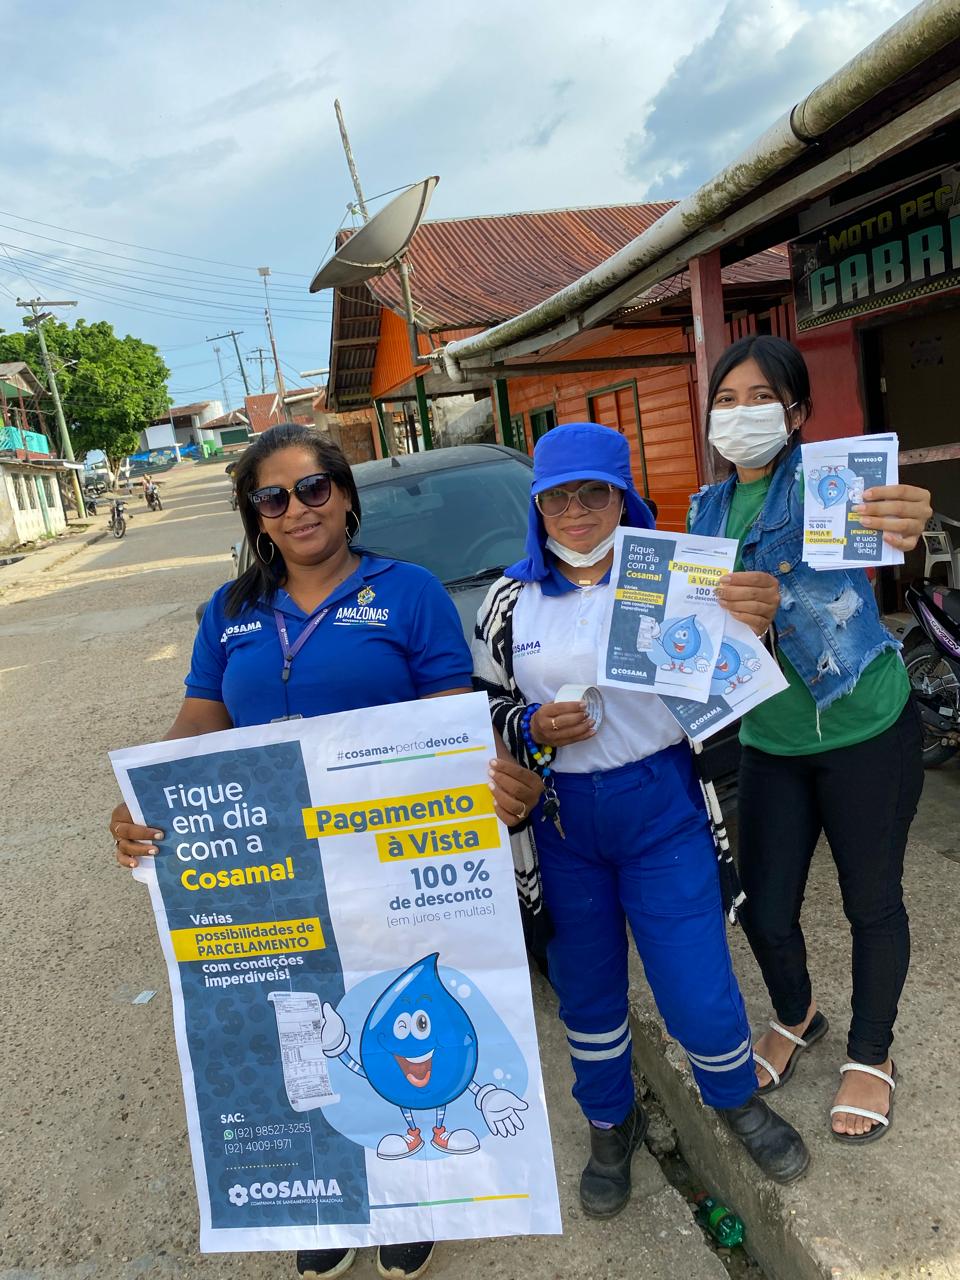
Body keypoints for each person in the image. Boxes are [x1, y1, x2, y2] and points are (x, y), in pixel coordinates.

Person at [109, 423, 543, 1280]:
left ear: (343, 496)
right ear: (257, 519)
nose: (297, 509)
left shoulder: (409, 592)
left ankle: (412, 1196)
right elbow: (203, 716)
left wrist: (496, 783)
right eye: (273, 498)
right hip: (275, 863)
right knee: (296, 1025)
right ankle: (326, 1195)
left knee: (392, 1020)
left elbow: (448, 721)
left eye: (312, 488)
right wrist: (146, 791)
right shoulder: (229, 612)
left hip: (384, 856)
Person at [473, 421, 808, 1220]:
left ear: (624, 497)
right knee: (588, 989)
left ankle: (734, 1098)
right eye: (556, 497)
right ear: (537, 505)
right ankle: (609, 1123)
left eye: (594, 492)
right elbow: (483, 704)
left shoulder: (679, 576)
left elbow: (741, 669)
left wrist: (758, 620)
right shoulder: (509, 600)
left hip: (660, 806)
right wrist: (530, 727)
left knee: (694, 978)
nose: (575, 511)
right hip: (562, 823)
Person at [689, 334, 931, 1144]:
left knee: (872, 901)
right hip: (769, 740)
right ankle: (797, 1015)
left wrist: (907, 523)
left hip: (866, 725)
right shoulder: (703, 511)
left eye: (761, 398)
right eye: (726, 400)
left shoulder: (833, 483)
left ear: (796, 414)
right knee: (764, 909)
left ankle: (872, 1053)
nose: (741, 414)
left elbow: (892, 533)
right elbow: (693, 636)